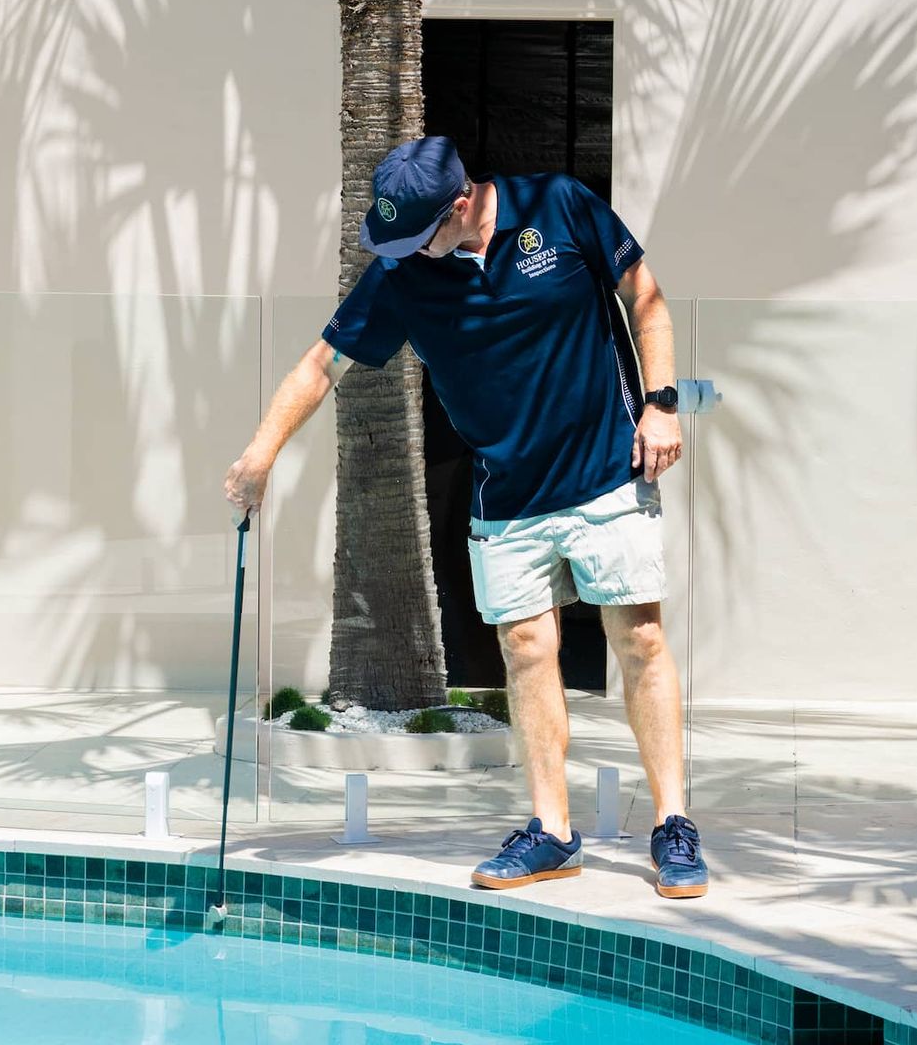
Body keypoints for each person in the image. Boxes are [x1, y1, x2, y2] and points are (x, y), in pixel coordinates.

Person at [224, 135, 707, 900]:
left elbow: (644, 298)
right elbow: (323, 364)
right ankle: (552, 831)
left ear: (462, 205)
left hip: (607, 468)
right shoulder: (405, 275)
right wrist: (261, 453)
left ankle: (673, 823)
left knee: (639, 636)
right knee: (525, 647)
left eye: (418, 235)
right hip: (508, 492)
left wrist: (661, 403)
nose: (406, 252)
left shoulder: (560, 204)